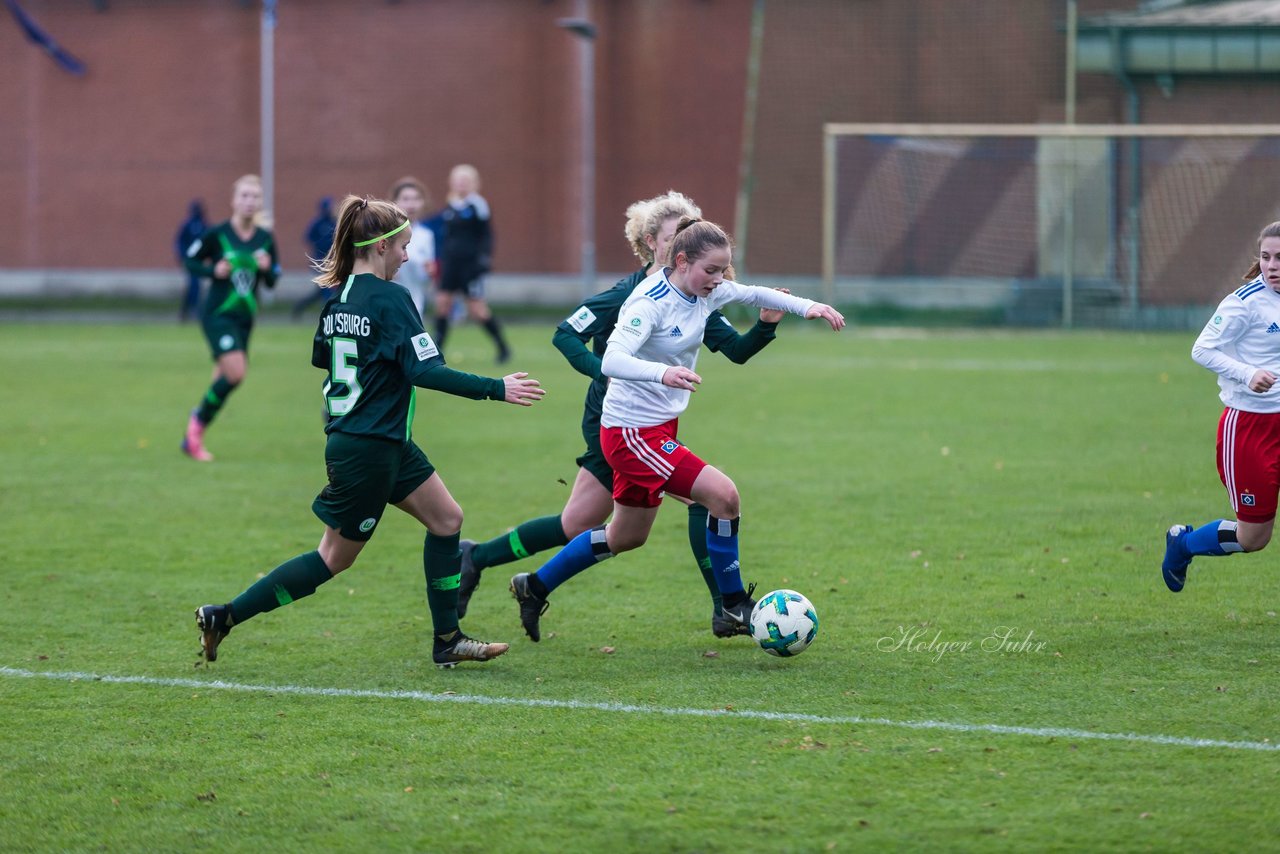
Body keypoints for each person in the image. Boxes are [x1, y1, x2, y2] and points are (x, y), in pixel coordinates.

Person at [193, 194, 545, 667]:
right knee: (332, 559)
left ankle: (448, 639)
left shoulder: (336, 298)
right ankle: (226, 616)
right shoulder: (393, 299)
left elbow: (328, 358)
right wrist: (495, 388)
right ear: (379, 248)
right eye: (402, 246)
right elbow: (427, 370)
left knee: (447, 519)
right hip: (368, 448)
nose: (406, 256)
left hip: (379, 439)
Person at [456, 191, 789, 638]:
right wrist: (607, 375)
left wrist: (766, 325)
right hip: (614, 422)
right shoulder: (627, 295)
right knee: (705, 497)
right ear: (654, 242)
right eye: (676, 236)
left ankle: (485, 563)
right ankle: (726, 607)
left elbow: (737, 351)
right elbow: (565, 335)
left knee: (594, 526)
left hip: (652, 423)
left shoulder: (696, 294)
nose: (684, 243)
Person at [505, 217, 845, 643]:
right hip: (631, 433)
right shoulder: (648, 302)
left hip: (654, 426)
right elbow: (612, 360)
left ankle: (533, 586)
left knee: (625, 536)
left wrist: (807, 307)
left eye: (723, 271)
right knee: (724, 496)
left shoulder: (704, 291)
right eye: (711, 271)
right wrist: (661, 374)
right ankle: (734, 604)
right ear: (681, 261)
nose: (719, 280)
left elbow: (753, 292)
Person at [1162, 221, 1280, 592]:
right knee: (1253, 538)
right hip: (1249, 429)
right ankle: (1183, 544)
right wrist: (1247, 374)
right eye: (1266, 257)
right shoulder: (1244, 303)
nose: (1272, 265)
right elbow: (1202, 349)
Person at [180, 174, 279, 462]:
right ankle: (196, 422)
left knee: (224, 378)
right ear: (234, 200)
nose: (250, 201)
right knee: (236, 373)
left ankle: (192, 439)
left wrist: (268, 268)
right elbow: (190, 260)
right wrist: (213, 271)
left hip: (245, 319)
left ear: (260, 202)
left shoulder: (264, 238)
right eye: (244, 196)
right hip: (217, 315)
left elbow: (273, 280)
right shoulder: (217, 233)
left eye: (255, 197)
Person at [433, 164, 511, 362]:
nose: (461, 184)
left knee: (477, 309)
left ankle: (503, 348)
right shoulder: (450, 205)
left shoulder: (478, 205)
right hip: (451, 264)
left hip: (470, 266)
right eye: (458, 180)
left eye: (465, 180)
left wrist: (484, 260)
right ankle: (436, 350)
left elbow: (487, 235)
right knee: (442, 303)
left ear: (474, 183)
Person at [389, 176, 437, 322]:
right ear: (395, 201)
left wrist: (429, 272)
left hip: (414, 302)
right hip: (387, 301)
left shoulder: (426, 236)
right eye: (406, 198)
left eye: (416, 199)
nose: (411, 204)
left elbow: (426, 278)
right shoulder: (384, 232)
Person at [291, 196, 339, 319]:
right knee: (326, 288)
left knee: (322, 291)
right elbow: (308, 237)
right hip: (320, 262)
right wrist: (319, 245)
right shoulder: (317, 223)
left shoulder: (335, 222)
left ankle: (299, 307)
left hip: (332, 261)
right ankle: (328, 313)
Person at [175, 199, 207, 322]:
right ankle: (186, 311)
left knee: (198, 286)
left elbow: (208, 241)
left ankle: (197, 310)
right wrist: (182, 257)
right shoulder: (187, 225)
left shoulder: (203, 225)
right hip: (189, 261)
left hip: (199, 261)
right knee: (190, 285)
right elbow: (180, 242)